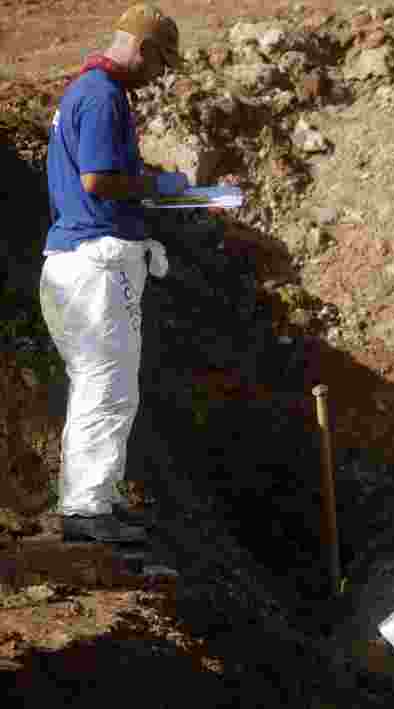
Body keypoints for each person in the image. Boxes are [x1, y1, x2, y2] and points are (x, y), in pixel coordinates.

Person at [40, 4, 189, 544]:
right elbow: (98, 180)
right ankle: (85, 509)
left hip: (78, 261)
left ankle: (94, 500)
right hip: (95, 264)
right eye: (161, 63)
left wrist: (144, 183)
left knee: (104, 384)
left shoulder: (88, 89)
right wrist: (155, 187)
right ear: (143, 50)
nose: (160, 75)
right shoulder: (102, 96)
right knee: (105, 385)